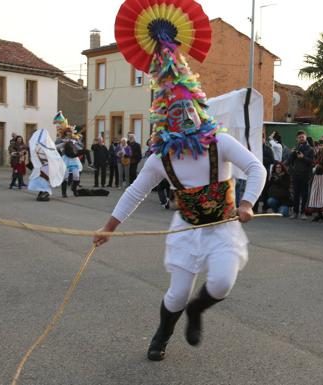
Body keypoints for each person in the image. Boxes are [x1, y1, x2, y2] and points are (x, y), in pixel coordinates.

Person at [93, 35, 266, 363]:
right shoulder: (162, 158)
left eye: (189, 106)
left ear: (200, 106)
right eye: (176, 109)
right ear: (164, 116)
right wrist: (109, 227)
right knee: (176, 294)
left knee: (222, 283)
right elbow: (135, 191)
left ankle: (197, 311)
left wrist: (247, 203)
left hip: (223, 228)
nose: (185, 115)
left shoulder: (221, 143)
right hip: (187, 229)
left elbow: (256, 168)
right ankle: (163, 332)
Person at [28, 128, 65, 201]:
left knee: (44, 179)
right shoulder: (37, 146)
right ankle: (43, 192)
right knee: (40, 179)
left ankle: (45, 192)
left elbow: (54, 151)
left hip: (48, 166)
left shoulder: (48, 145)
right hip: (42, 166)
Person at [287, 130, 315, 220]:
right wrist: (292, 153)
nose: (301, 138)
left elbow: (312, 162)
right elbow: (289, 161)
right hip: (296, 175)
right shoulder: (296, 147)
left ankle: (303, 212)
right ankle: (295, 212)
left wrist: (303, 158)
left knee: (304, 194)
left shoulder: (310, 149)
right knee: (296, 194)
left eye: (302, 137)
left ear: (305, 137)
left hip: (305, 175)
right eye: (299, 137)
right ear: (297, 139)